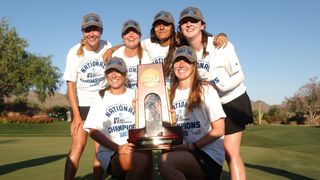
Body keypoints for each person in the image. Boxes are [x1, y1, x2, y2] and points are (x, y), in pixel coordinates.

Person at [177, 7, 254, 180]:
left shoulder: (220, 44)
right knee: (213, 152)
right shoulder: (185, 52)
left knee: (230, 152)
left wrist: (216, 86)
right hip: (209, 107)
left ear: (202, 25)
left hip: (232, 101)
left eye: (193, 21)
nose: (189, 24)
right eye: (184, 21)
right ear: (180, 27)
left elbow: (240, 76)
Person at [103, 10, 228, 84]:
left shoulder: (182, 42)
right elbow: (131, 42)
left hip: (178, 93)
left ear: (173, 28)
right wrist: (111, 49)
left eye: (166, 24)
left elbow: (200, 37)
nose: (161, 28)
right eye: (158, 25)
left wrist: (222, 35)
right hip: (158, 94)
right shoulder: (149, 43)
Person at [158, 46, 226, 180]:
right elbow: (169, 132)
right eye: (177, 61)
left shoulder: (206, 91)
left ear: (194, 65)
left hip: (208, 154)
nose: (181, 64)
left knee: (166, 161)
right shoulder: (169, 94)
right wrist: (170, 123)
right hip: (185, 152)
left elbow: (219, 130)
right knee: (165, 156)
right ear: (173, 65)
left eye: (186, 61)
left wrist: (192, 147)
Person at [83, 57, 153, 180]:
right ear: (106, 75)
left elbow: (149, 124)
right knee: (140, 160)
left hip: (135, 147)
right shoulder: (100, 97)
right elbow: (93, 132)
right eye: (110, 71)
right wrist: (118, 148)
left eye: (118, 71)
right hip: (111, 151)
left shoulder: (136, 94)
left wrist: (140, 112)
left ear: (125, 74)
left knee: (146, 154)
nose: (114, 75)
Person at [63, 13, 112, 180]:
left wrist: (112, 49)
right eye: (88, 30)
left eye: (95, 29)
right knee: (77, 147)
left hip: (101, 106)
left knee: (100, 151)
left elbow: (124, 46)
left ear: (101, 30)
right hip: (82, 106)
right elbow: (71, 86)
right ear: (83, 32)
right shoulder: (74, 53)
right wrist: (76, 116)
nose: (92, 33)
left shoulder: (107, 46)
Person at [112, 19, 152, 89]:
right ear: (122, 36)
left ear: (140, 36)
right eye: (127, 32)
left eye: (134, 32)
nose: (131, 35)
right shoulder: (116, 55)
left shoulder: (147, 56)